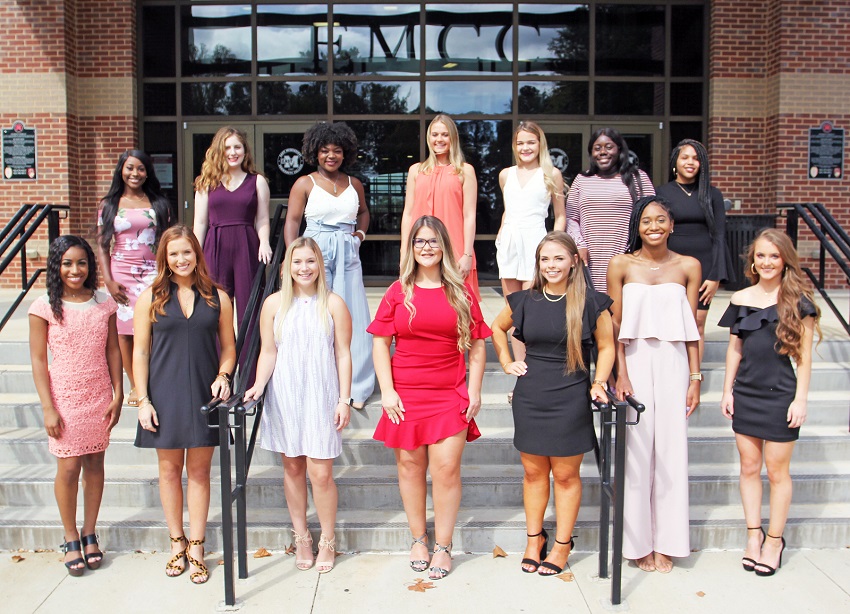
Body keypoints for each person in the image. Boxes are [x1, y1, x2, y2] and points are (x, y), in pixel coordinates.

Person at [369, 215, 490, 580]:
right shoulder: (397, 291)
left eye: (433, 241)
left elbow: (479, 345)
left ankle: (444, 545)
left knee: (446, 469)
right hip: (405, 394)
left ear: (444, 248)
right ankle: (419, 538)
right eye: (419, 241)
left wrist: (475, 389)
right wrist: (387, 391)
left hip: (448, 393)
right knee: (409, 467)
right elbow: (380, 344)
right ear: (411, 248)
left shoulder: (462, 292)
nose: (426, 247)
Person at [491, 231, 615, 576]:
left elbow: (606, 347)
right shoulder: (524, 300)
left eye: (559, 258)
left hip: (571, 396)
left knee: (564, 475)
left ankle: (562, 544)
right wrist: (506, 362)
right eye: (545, 259)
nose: (551, 265)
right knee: (533, 473)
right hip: (531, 394)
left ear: (575, 260)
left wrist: (600, 382)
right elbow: (496, 329)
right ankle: (534, 540)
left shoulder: (591, 302)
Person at [133, 224, 236, 584]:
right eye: (174, 253)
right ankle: (175, 543)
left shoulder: (217, 297)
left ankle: (197, 545)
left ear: (197, 254)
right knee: (168, 471)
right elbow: (141, 351)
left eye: (187, 252)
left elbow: (228, 348)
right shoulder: (150, 297)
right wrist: (142, 399)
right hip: (163, 394)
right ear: (164, 257)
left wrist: (224, 376)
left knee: (200, 472)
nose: (181, 259)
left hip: (205, 395)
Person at [244, 237, 353, 574]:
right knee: (292, 468)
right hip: (286, 394)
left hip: (321, 395)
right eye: (297, 262)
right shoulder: (274, 305)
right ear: (286, 267)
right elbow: (268, 352)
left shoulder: (333, 303)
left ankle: (328, 540)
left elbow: (343, 353)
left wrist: (344, 399)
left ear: (320, 265)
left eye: (310, 261)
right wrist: (259, 385)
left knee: (321, 473)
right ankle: (302, 536)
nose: (304, 268)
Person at [607, 195, 701, 574]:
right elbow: (613, 325)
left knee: (672, 453)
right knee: (637, 451)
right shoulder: (621, 264)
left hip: (676, 360)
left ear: (672, 225)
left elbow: (693, 328)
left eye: (660, 219)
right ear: (637, 226)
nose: (653, 226)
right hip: (636, 360)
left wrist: (695, 377)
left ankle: (669, 542)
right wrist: (621, 373)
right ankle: (638, 543)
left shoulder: (688, 266)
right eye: (646, 221)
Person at [719, 228, 820, 577]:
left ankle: (774, 541)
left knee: (777, 472)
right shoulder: (740, 298)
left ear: (785, 260)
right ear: (752, 260)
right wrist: (727, 390)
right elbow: (735, 348)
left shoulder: (798, 301)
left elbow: (804, 358)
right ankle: (753, 536)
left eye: (774, 256)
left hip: (780, 396)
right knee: (749, 467)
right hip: (745, 393)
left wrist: (800, 399)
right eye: (760, 255)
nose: (766, 262)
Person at [28, 236, 123, 576]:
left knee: (95, 463)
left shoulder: (103, 302)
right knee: (69, 469)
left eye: (81, 262)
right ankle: (70, 536)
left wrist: (119, 392)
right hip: (64, 398)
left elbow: (114, 350)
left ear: (90, 266)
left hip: (98, 394)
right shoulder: (43, 307)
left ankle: (89, 531)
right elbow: (39, 361)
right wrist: (47, 407)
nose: (75, 269)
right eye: (67, 263)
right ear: (56, 266)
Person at [284, 122, 374, 408]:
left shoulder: (353, 183)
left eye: (337, 150)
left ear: (345, 153)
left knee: (353, 316)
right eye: (325, 150)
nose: (331, 156)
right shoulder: (304, 183)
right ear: (315, 152)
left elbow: (364, 212)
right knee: (317, 316)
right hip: (315, 252)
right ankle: (317, 384)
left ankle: (356, 388)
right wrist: (293, 257)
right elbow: (293, 222)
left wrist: (359, 235)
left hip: (348, 251)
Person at [97, 150, 173, 407]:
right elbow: (102, 244)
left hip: (152, 273)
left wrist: (167, 275)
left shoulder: (159, 203)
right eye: (130, 168)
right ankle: (134, 385)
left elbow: (167, 240)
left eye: (140, 169)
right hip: (120, 275)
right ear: (121, 170)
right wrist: (107, 279)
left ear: (148, 172)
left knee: (152, 328)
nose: (135, 174)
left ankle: (152, 381)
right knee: (124, 332)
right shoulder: (109, 204)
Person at [497, 121, 566, 364]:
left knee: (533, 308)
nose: (525, 147)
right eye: (520, 143)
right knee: (514, 312)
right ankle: (520, 371)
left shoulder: (551, 174)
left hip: (537, 243)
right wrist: (500, 237)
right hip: (509, 244)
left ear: (540, 144)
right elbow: (509, 210)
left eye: (531, 142)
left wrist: (554, 246)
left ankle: (536, 367)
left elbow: (560, 215)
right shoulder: (506, 174)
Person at [657, 139, 732, 359]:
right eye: (685, 157)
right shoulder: (661, 192)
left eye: (696, 158)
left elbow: (719, 235)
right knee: (670, 321)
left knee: (697, 322)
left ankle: (694, 377)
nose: (691, 162)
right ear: (675, 162)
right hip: (671, 265)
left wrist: (716, 275)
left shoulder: (712, 194)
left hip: (704, 266)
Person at [193, 126, 272, 325]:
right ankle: (220, 355)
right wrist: (195, 253)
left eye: (237, 147)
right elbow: (200, 222)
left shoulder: (257, 181)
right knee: (216, 303)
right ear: (219, 151)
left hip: (247, 244)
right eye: (227, 147)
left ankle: (249, 356)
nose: (232, 152)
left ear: (245, 151)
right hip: (215, 245)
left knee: (251, 304)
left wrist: (264, 242)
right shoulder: (206, 182)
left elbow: (262, 218)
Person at [400, 114, 480, 300]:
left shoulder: (465, 170)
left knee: (458, 304)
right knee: (420, 301)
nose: (439, 139)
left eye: (445, 134)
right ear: (429, 138)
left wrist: (467, 254)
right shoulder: (416, 170)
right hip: (421, 248)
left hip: (456, 248)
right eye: (435, 134)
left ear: (453, 137)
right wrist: (404, 252)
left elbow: (469, 216)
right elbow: (408, 214)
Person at [567, 127, 655, 292]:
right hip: (589, 259)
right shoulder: (582, 179)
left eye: (609, 147)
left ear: (619, 149)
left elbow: (652, 216)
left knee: (622, 309)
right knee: (591, 309)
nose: (603, 152)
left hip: (627, 256)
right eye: (597, 148)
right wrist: (579, 244)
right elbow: (571, 218)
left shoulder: (638, 177)